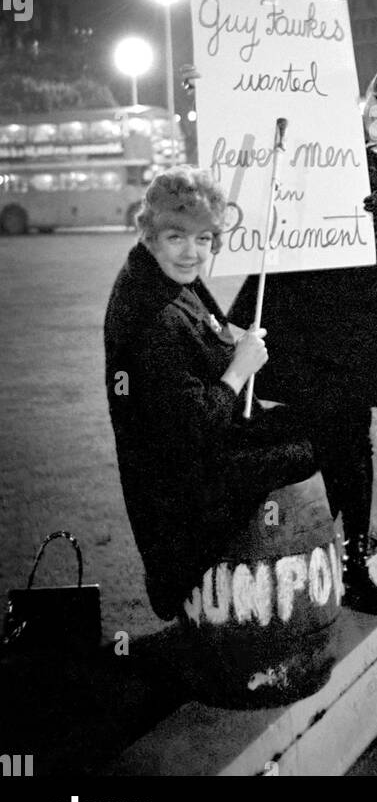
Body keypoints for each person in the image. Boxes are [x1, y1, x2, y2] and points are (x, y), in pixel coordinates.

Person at [229, 56, 377, 615]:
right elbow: (273, 205)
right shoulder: (316, 138)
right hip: (299, 316)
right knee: (299, 439)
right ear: (369, 93)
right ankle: (288, 560)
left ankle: (355, 566)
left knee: (356, 447)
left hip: (354, 321)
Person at [104, 167, 314, 621]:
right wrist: (238, 370)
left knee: (327, 419)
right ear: (151, 234)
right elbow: (190, 429)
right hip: (185, 485)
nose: (191, 252)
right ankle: (245, 596)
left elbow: (207, 338)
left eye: (203, 239)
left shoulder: (165, 277)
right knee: (314, 446)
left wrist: (236, 348)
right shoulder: (151, 314)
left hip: (206, 449)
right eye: (176, 237)